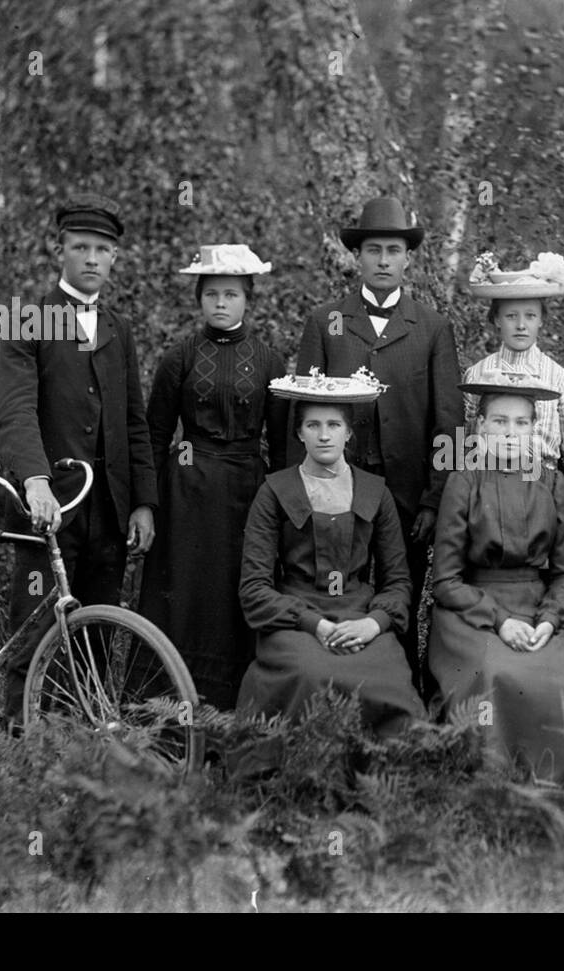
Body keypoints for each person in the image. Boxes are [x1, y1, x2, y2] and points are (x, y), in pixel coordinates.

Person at [0, 192, 156, 727]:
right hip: (49, 511)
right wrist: (35, 480)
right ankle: (21, 750)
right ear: (58, 250)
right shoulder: (25, 319)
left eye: (102, 249)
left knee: (96, 637)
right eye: (80, 246)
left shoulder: (118, 328)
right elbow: (13, 411)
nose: (91, 258)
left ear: (113, 258)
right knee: (35, 631)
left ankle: (82, 747)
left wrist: (143, 503)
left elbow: (134, 421)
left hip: (108, 514)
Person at [293, 196, 462, 697]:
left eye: (393, 250)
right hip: (334, 494)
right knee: (336, 596)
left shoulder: (432, 327)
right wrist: (297, 499)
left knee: (397, 598)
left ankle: (401, 704)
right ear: (357, 257)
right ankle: (334, 701)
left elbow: (448, 424)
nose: (384, 260)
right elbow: (301, 410)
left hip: (407, 498)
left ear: (408, 258)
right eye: (373, 250)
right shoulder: (327, 322)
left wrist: (434, 499)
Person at [427, 375, 564, 782]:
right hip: (472, 610)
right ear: (481, 428)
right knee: (494, 672)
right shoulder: (464, 480)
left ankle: (556, 784)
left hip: (536, 607)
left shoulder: (552, 483)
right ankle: (493, 779)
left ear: (535, 429)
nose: (511, 433)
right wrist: (499, 621)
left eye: (521, 423)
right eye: (500, 421)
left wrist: (548, 620)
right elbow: (445, 579)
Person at [139, 244, 288, 710]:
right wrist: (147, 502)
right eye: (212, 295)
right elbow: (154, 433)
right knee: (181, 592)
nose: (221, 304)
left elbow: (283, 444)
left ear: (248, 299)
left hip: (245, 492)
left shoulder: (269, 361)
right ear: (199, 299)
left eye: (231, 294)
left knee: (231, 594)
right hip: (186, 490)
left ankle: (228, 712)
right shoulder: (179, 356)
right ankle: (163, 709)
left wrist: (283, 510)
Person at [237, 368, 425, 737]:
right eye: (313, 425)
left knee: (387, 680)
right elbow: (254, 589)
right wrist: (315, 625)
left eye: (334, 425)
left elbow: (398, 581)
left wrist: (374, 624)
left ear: (349, 432)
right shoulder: (275, 492)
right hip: (297, 620)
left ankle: (384, 779)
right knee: (312, 674)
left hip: (359, 615)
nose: (324, 435)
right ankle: (298, 775)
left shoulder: (375, 492)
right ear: (298, 433)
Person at [461, 250, 564, 536]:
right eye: (511, 315)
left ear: (541, 321)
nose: (521, 325)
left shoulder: (559, 379)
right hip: (485, 504)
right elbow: (463, 449)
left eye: (530, 316)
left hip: (542, 502)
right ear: (497, 320)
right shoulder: (476, 375)